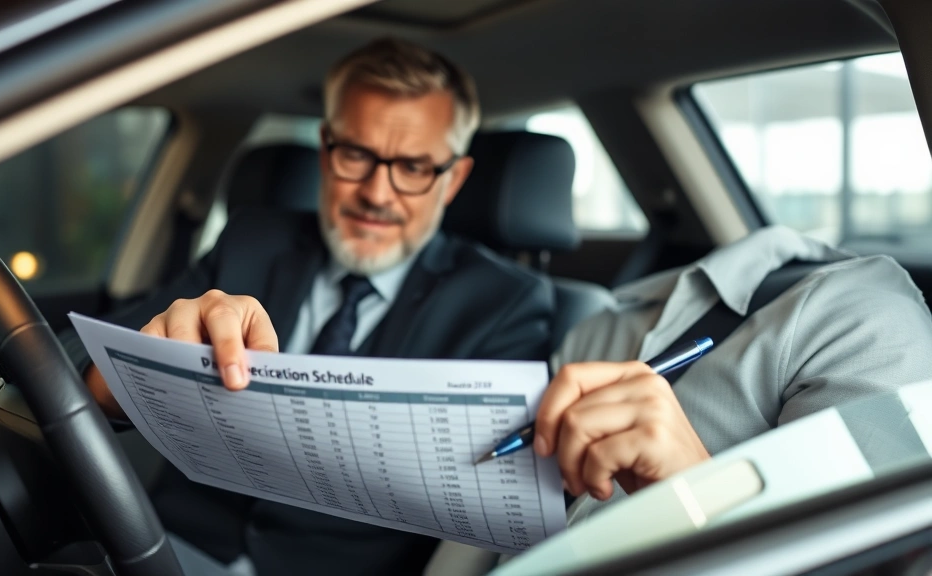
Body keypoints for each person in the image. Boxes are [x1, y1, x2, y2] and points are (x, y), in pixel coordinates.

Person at [58, 37, 554, 576]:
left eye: (413, 167)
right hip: (170, 550)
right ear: (325, 150)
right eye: (356, 155)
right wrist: (124, 382)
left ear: (452, 178)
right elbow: (70, 359)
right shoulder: (251, 240)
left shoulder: (504, 303)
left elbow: (493, 487)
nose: (377, 194)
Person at [422, 224, 932, 573]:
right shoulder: (601, 328)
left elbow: (867, 559)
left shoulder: (863, 321)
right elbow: (482, 533)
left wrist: (699, 492)